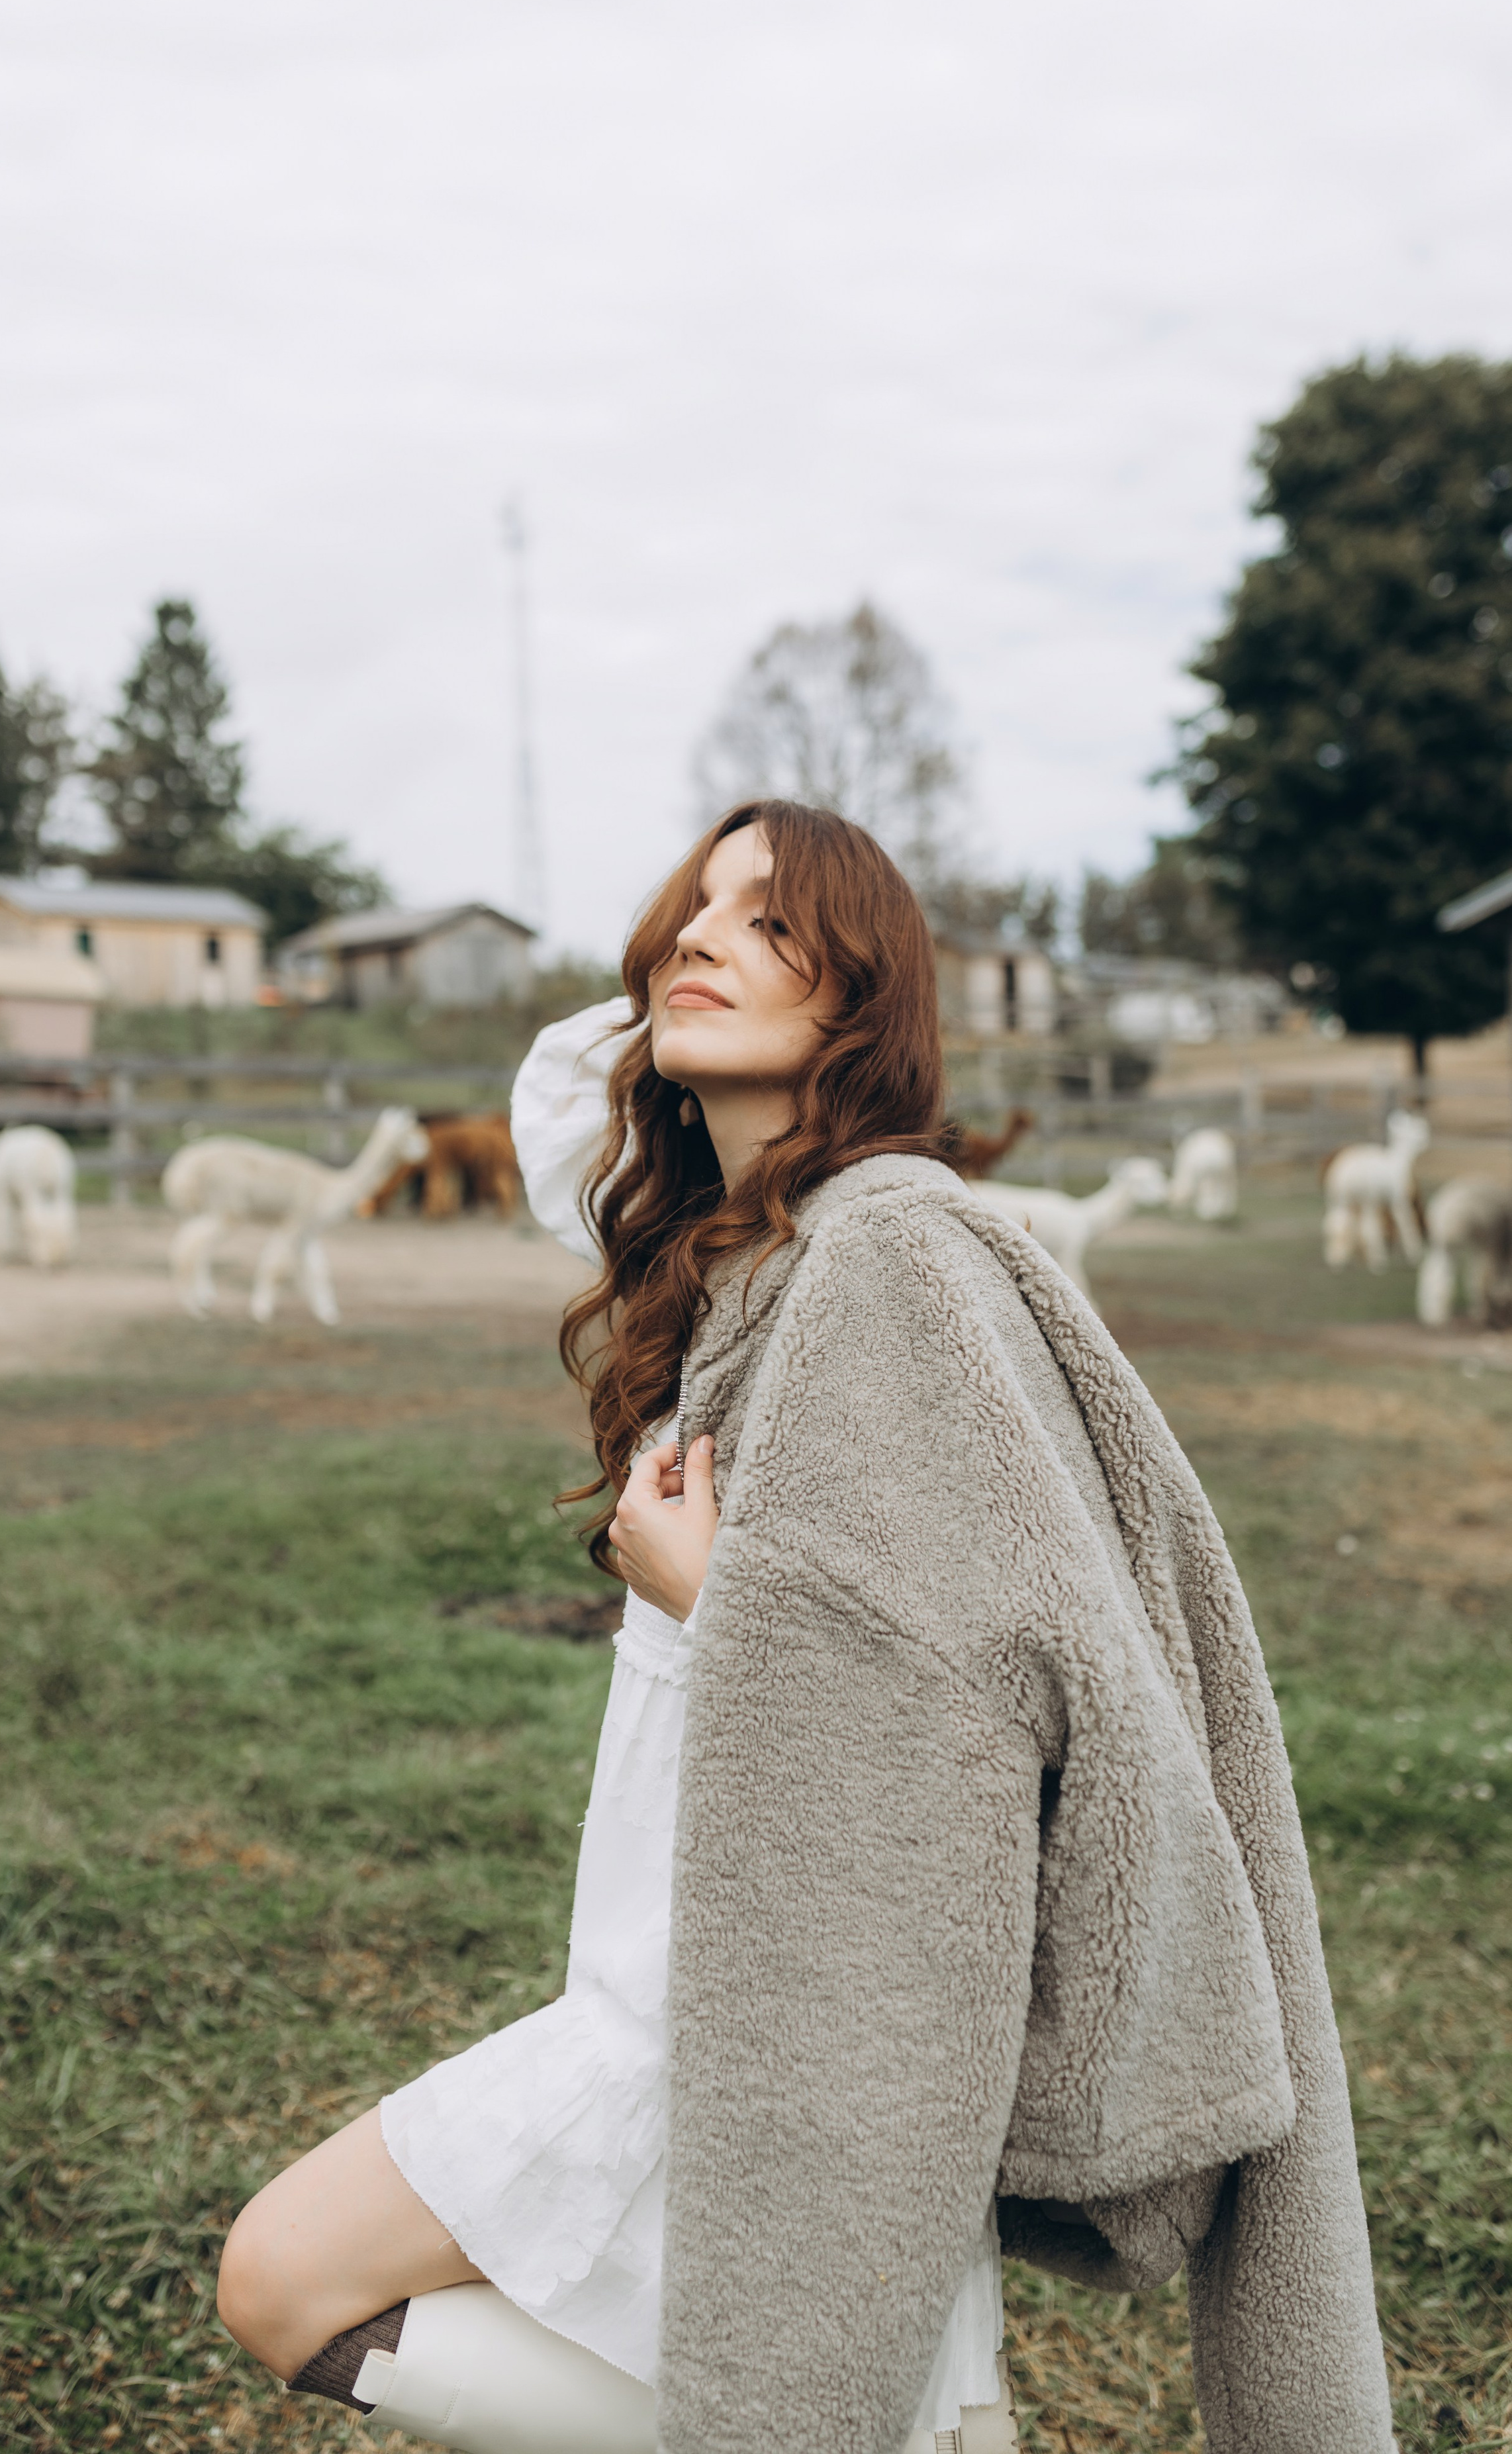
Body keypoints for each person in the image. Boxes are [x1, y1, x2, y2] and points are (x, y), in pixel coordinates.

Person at [216, 802, 1392, 2454]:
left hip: (762, 2001)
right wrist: (666, 1014)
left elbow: (980, 1676)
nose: (697, 940)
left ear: (864, 996)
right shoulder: (760, 1254)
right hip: (687, 1961)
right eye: (687, 916)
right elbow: (565, 1114)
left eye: (768, 924)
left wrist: (718, 1597)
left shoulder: (888, 1250)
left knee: (280, 2280)